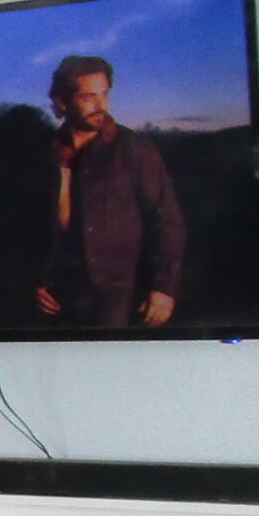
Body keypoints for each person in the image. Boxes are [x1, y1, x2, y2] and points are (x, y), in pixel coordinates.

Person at [35, 55, 184, 327]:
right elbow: (26, 226)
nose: (100, 105)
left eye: (104, 94)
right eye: (88, 97)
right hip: (58, 293)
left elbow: (167, 221)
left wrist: (163, 288)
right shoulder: (44, 153)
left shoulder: (135, 150)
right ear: (62, 102)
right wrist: (34, 281)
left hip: (117, 294)